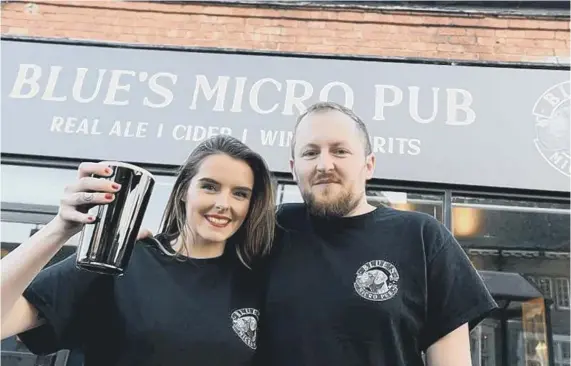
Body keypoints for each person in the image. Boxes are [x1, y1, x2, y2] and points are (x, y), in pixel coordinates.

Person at [252, 102, 498, 366]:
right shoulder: (268, 230)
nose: (324, 164)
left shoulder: (422, 238)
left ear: (369, 165)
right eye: (310, 153)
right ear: (293, 168)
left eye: (340, 151)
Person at [0, 135, 276, 366]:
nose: (223, 203)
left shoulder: (254, 280)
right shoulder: (124, 261)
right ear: (183, 191)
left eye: (240, 193)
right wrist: (60, 228)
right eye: (209, 187)